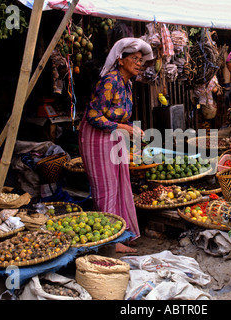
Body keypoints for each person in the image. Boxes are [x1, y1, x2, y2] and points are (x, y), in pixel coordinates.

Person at [78, 37, 153, 253]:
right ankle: (109, 241)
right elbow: (93, 115)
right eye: (135, 59)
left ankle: (121, 231)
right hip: (96, 137)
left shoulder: (127, 84)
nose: (140, 63)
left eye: (141, 60)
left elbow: (120, 116)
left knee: (120, 184)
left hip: (112, 136)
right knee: (106, 188)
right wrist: (127, 129)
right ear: (120, 60)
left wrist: (131, 129)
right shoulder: (110, 81)